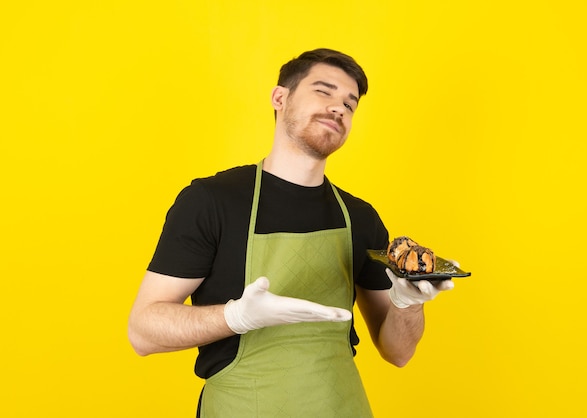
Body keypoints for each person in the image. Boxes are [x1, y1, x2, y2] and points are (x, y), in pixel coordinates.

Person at [128, 48, 454, 417]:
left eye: (350, 104)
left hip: (341, 407)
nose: (339, 108)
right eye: (324, 91)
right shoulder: (212, 201)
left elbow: (398, 352)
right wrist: (235, 318)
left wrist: (407, 303)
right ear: (280, 98)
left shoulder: (359, 218)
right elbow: (142, 332)